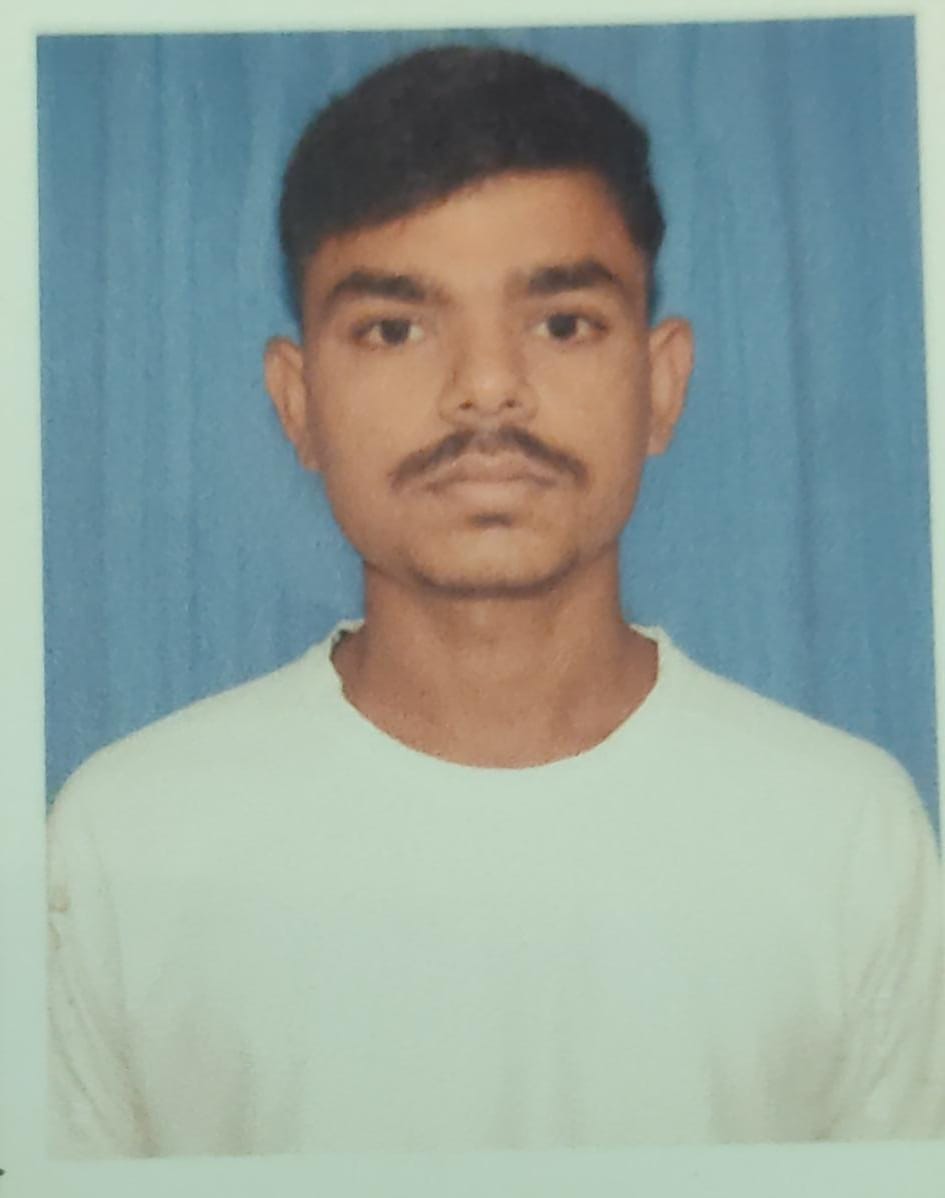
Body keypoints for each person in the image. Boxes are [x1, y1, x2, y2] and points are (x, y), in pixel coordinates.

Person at [47, 44, 945, 1157]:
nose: (484, 388)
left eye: (562, 322)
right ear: (298, 402)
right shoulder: (126, 843)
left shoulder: (844, 836)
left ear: (661, 384)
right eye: (394, 327)